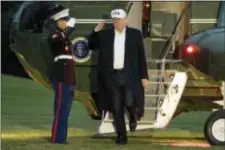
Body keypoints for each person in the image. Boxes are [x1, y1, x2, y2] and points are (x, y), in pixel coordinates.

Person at [88, 9, 149, 145]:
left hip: (129, 75)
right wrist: (95, 32)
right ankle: (122, 136)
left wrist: (144, 76)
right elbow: (92, 45)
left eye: (119, 20)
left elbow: (141, 57)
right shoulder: (105, 35)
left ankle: (133, 115)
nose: (117, 23)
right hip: (112, 76)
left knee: (129, 102)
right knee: (116, 107)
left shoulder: (135, 34)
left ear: (125, 20)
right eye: (115, 20)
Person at [47, 7, 76, 144]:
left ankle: (62, 138)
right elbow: (58, 40)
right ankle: (56, 138)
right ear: (57, 21)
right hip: (61, 76)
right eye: (64, 20)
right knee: (60, 108)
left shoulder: (64, 37)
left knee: (66, 109)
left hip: (68, 77)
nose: (66, 23)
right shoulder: (54, 35)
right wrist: (68, 30)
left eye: (67, 20)